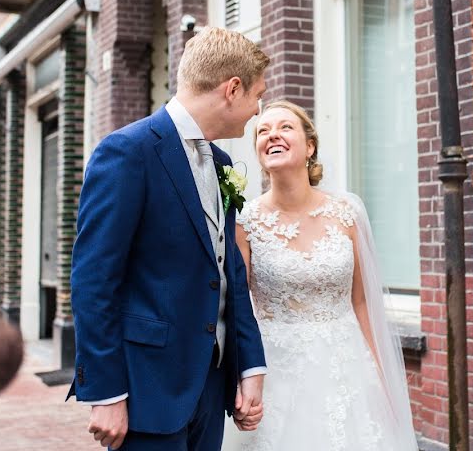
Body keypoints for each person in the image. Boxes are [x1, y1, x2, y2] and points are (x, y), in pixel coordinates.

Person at [68, 27, 270, 450]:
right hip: (147, 389)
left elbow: (228, 269)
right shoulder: (127, 151)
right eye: (257, 95)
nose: (257, 110)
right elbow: (94, 280)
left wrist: (249, 365)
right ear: (232, 89)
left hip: (210, 387)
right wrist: (105, 393)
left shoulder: (221, 162)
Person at [222, 100, 419, 451]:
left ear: (310, 146)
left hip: (348, 371)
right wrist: (241, 376)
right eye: (263, 131)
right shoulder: (244, 222)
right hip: (277, 373)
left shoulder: (348, 213)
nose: (272, 135)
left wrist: (384, 381)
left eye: (284, 127)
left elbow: (361, 303)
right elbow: (237, 309)